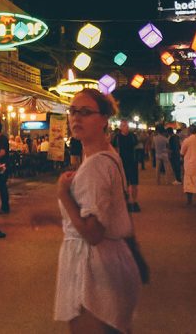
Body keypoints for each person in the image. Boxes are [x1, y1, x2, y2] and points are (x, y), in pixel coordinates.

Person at [54, 89, 140, 334]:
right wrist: (52, 218)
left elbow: (93, 233)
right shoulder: (107, 155)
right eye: (73, 111)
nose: (76, 118)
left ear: (104, 119)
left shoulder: (96, 165)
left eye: (85, 112)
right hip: (109, 263)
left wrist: (62, 194)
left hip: (92, 271)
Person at [112, 120, 140, 212]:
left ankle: (135, 202)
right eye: (123, 125)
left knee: (134, 183)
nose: (126, 127)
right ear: (120, 127)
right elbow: (114, 149)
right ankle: (127, 202)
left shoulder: (133, 136)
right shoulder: (117, 138)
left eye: (127, 125)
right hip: (122, 163)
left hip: (133, 162)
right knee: (125, 184)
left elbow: (137, 147)